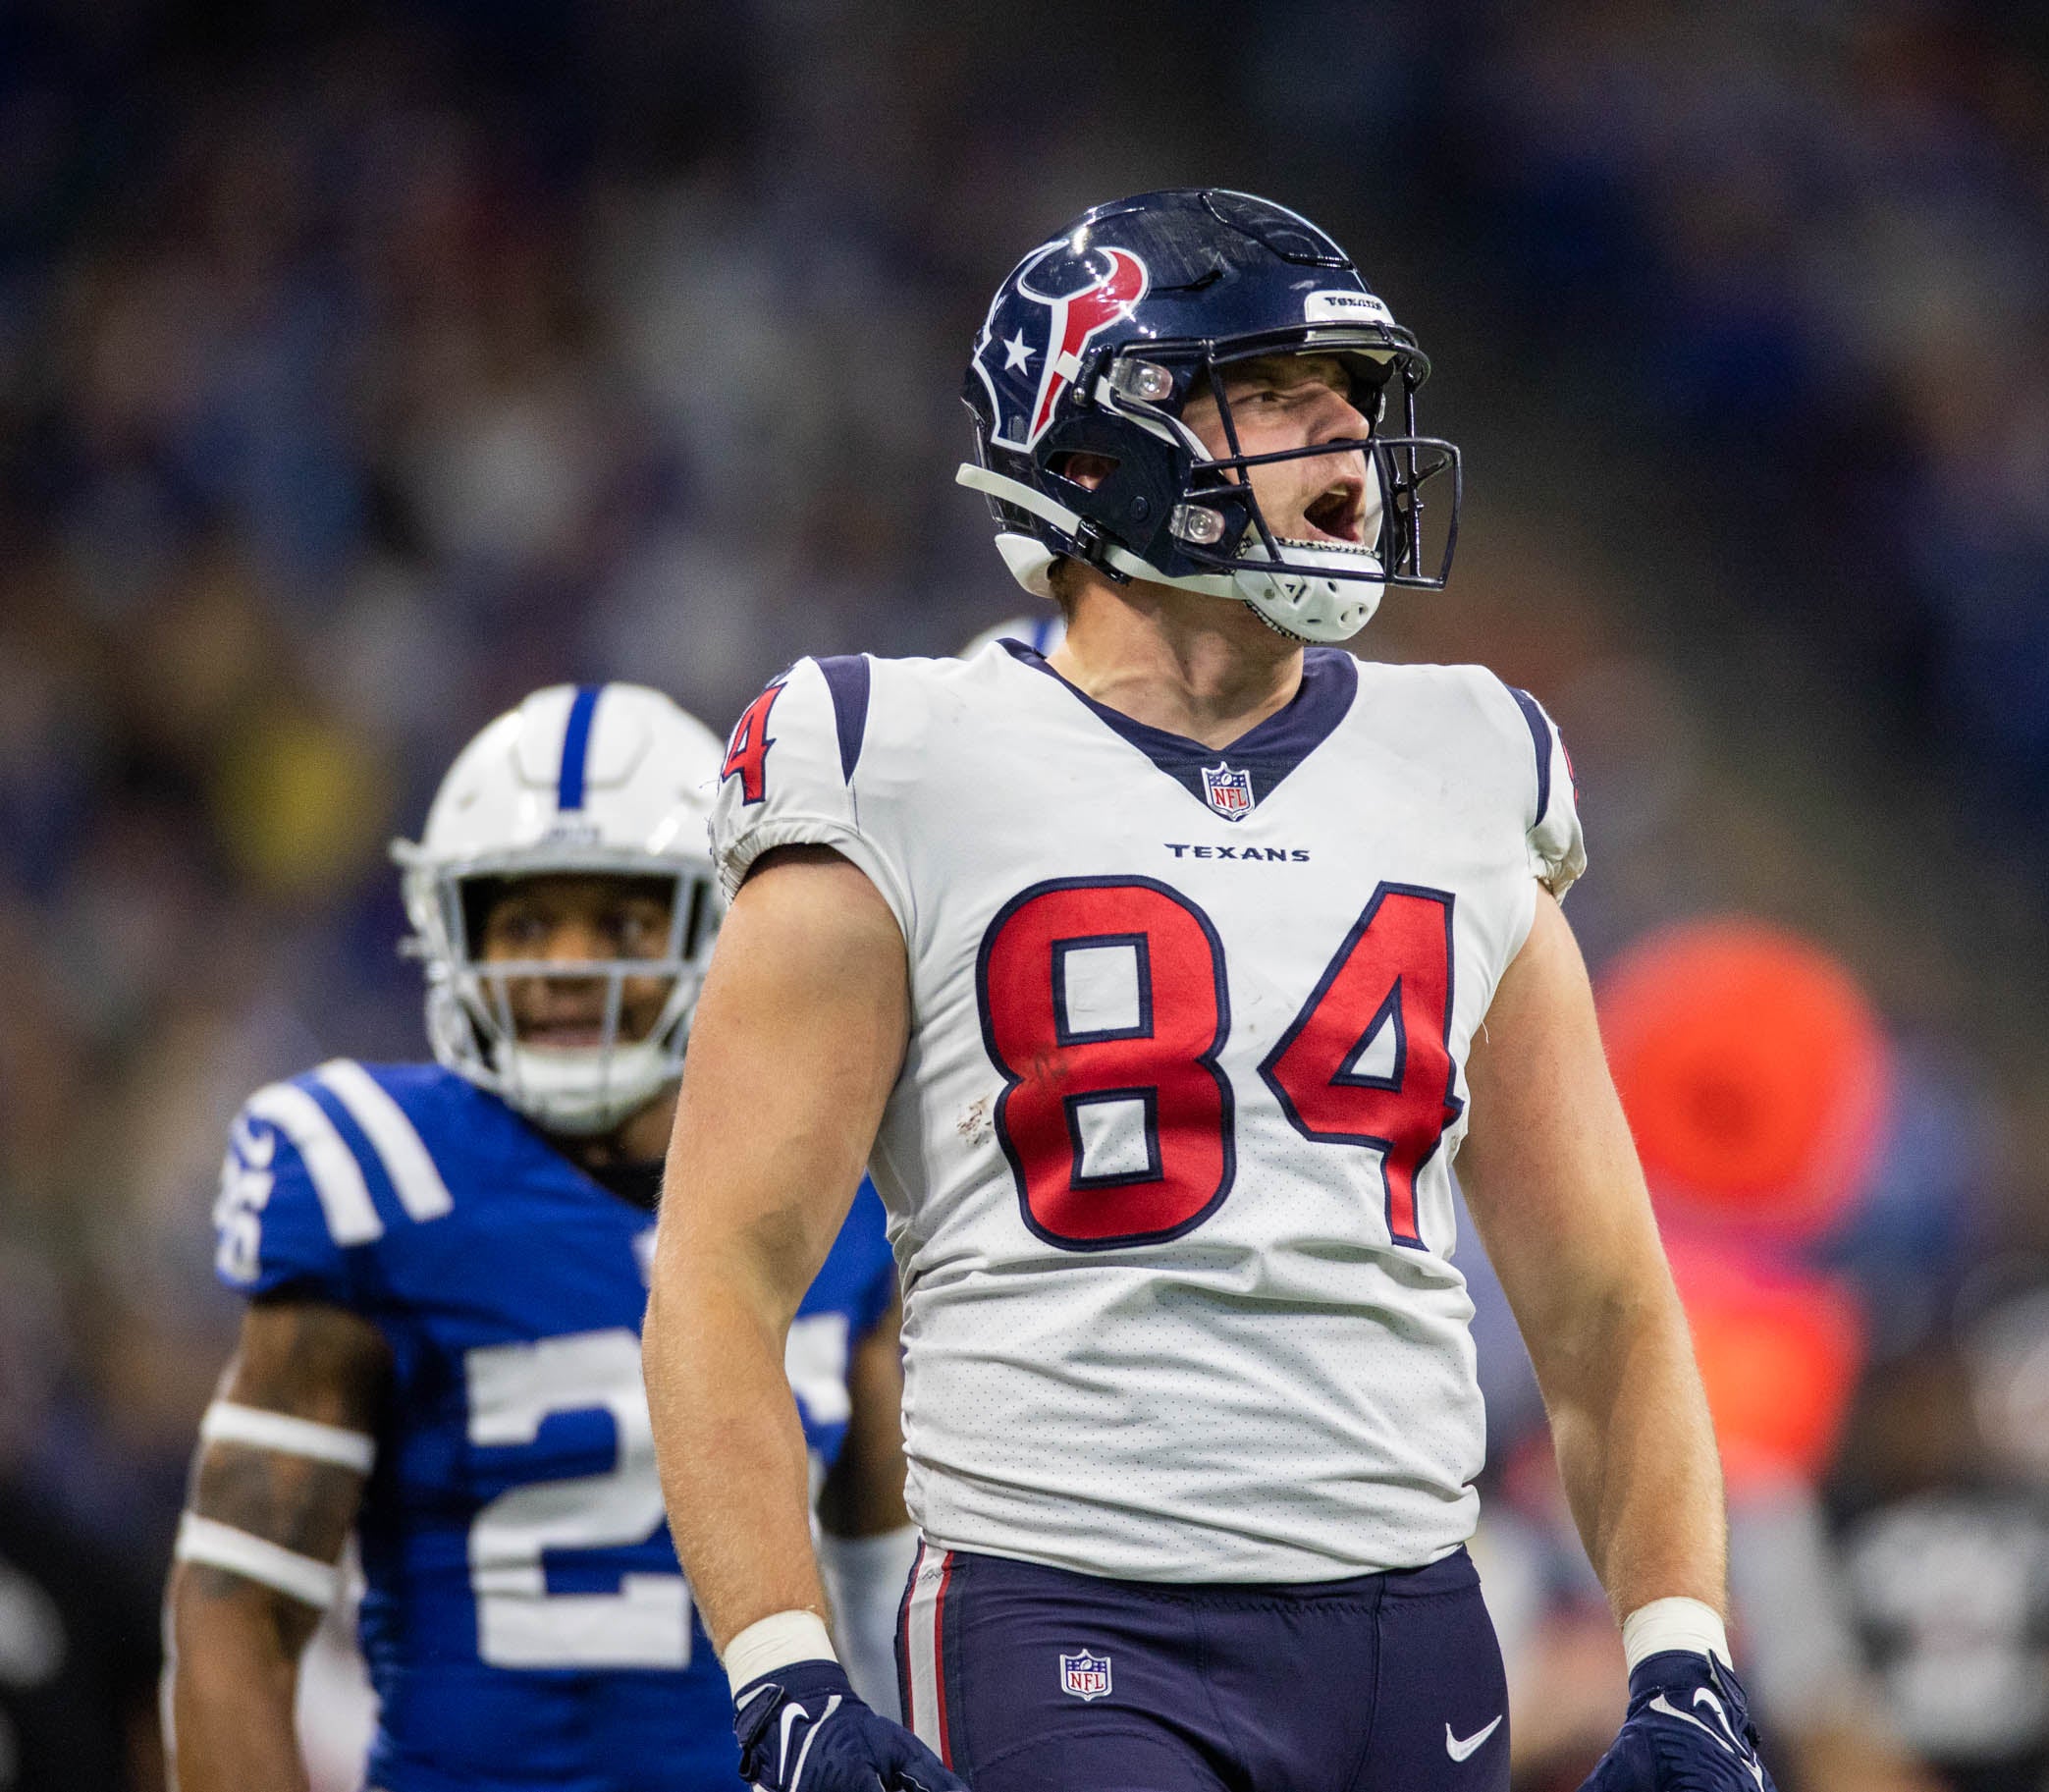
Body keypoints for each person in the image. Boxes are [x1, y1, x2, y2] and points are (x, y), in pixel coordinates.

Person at [643, 189, 1770, 1792]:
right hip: (1066, 1607)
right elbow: (719, 1278)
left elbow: (1600, 1298)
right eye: (1281, 395)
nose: (1345, 445)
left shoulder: (1465, 761)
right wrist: (783, 1673)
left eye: (1358, 404)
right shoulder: (892, 759)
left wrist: (1680, 1659)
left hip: (1412, 1619)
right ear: (1103, 435)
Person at [166, 683, 913, 1792]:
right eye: (524, 922)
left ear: (717, 929)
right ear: (455, 936)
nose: (566, 962)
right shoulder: (385, 1177)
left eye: (618, 922)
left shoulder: (843, 1198)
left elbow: (893, 1616)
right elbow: (236, 1617)